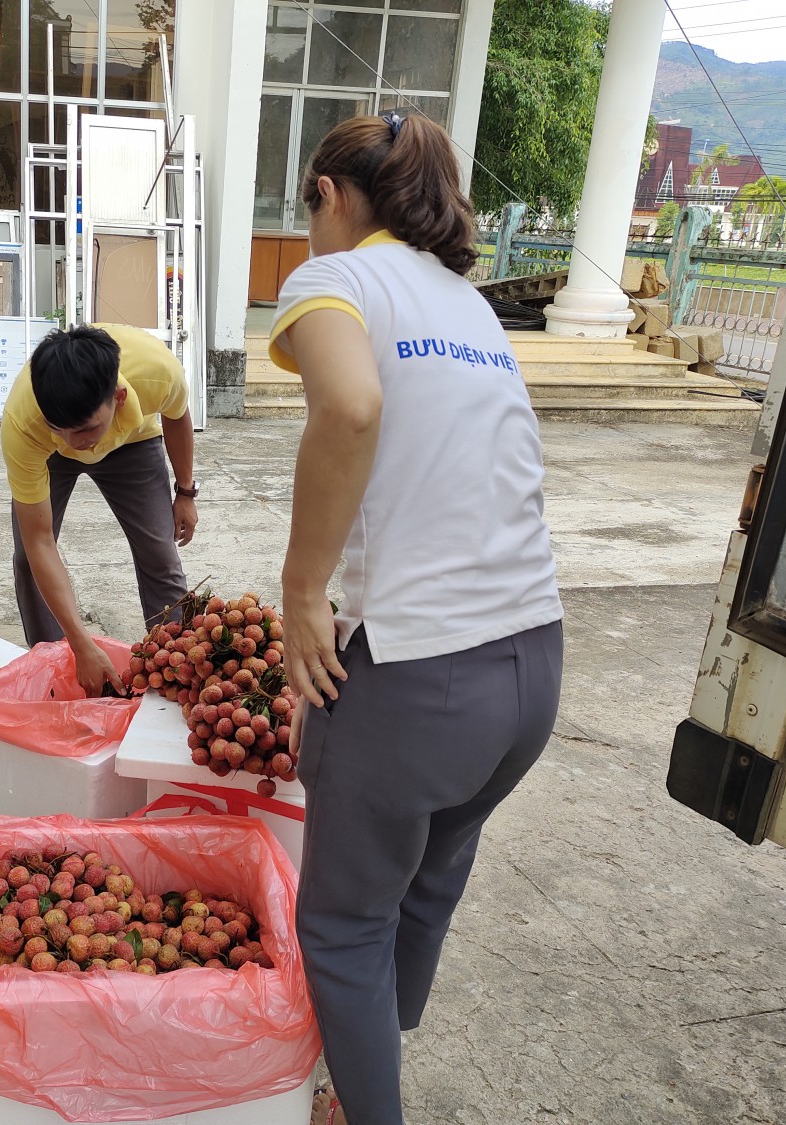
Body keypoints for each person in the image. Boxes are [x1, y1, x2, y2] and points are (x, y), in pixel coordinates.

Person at [270, 113, 565, 1125]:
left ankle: (364, 1107)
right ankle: (366, 1079)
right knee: (429, 877)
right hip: (533, 665)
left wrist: (304, 592)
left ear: (329, 195)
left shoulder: (336, 281)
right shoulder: (470, 307)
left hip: (427, 681)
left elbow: (348, 410)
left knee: (343, 925)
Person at [3, 323, 198, 694]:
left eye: (85, 430)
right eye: (60, 427)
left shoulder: (158, 373)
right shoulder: (25, 423)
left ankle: (178, 665)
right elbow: (40, 541)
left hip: (133, 442)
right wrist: (81, 643)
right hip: (48, 456)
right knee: (28, 559)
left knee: (159, 551)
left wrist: (185, 492)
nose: (76, 444)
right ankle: (55, 660)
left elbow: (177, 416)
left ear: (119, 397)